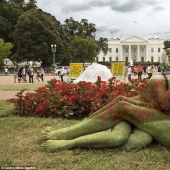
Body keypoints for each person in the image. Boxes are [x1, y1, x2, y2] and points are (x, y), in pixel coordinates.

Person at [41, 48, 170, 152]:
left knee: (130, 136)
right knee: (122, 111)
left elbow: (164, 103)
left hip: (163, 122)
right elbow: (156, 101)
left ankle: (70, 140)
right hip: (157, 119)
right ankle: (72, 131)